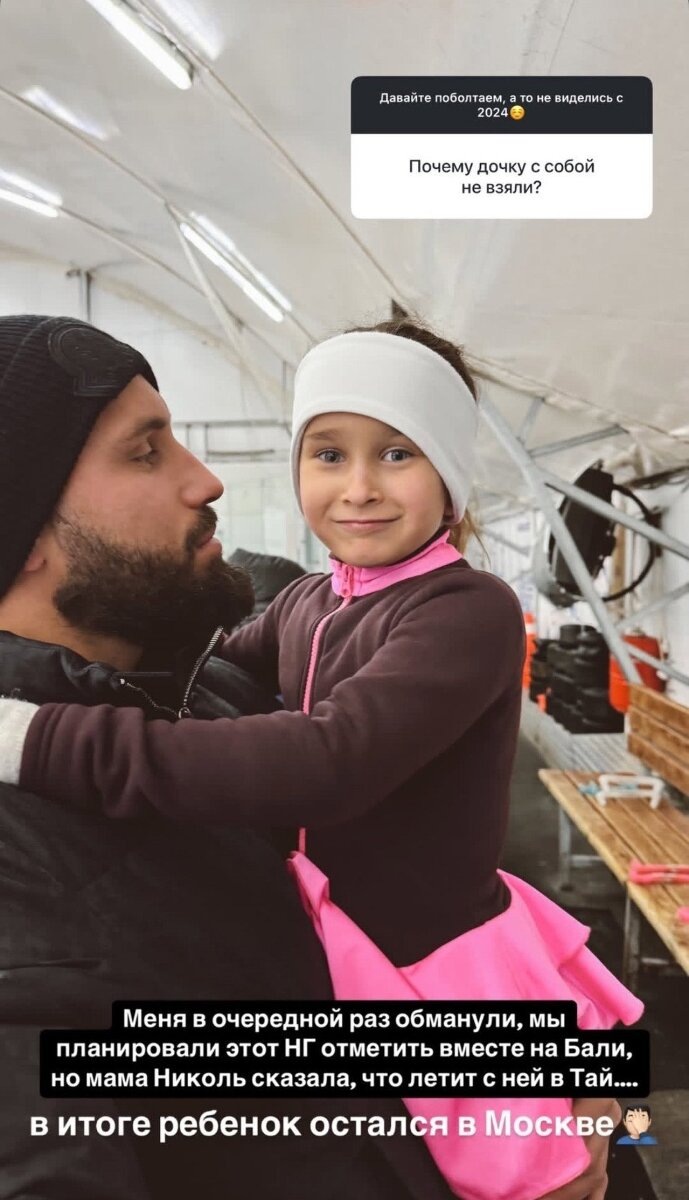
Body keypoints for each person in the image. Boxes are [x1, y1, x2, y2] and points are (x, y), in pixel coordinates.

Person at [0, 315, 624, 1200]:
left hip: (425, 1001)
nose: (208, 478)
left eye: (398, 453)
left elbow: (335, 767)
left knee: (543, 1166)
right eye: (146, 451)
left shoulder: (214, 680)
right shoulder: (28, 847)